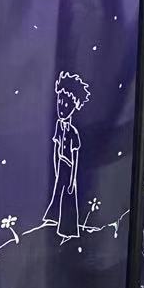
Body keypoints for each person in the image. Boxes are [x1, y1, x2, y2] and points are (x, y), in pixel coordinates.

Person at [43, 72, 91, 240]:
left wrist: (72, 180)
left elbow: (75, 158)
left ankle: (67, 229)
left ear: (74, 106)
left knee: (68, 196)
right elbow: (56, 148)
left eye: (66, 104)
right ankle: (54, 218)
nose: (61, 107)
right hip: (61, 165)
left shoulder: (73, 132)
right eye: (59, 102)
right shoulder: (58, 125)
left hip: (69, 168)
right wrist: (56, 167)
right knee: (58, 192)